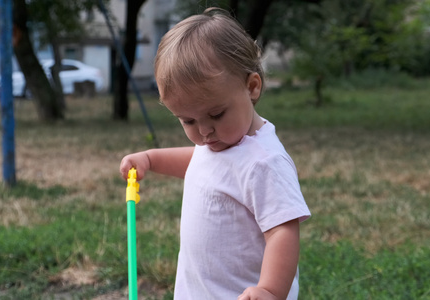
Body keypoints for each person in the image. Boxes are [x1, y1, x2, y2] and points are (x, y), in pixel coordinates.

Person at [120, 7, 310, 300]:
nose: (205, 132)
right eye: (188, 121)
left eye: (216, 114)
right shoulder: (219, 144)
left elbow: (282, 232)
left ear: (252, 87)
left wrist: (270, 290)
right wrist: (151, 159)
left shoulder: (264, 162)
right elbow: (200, 163)